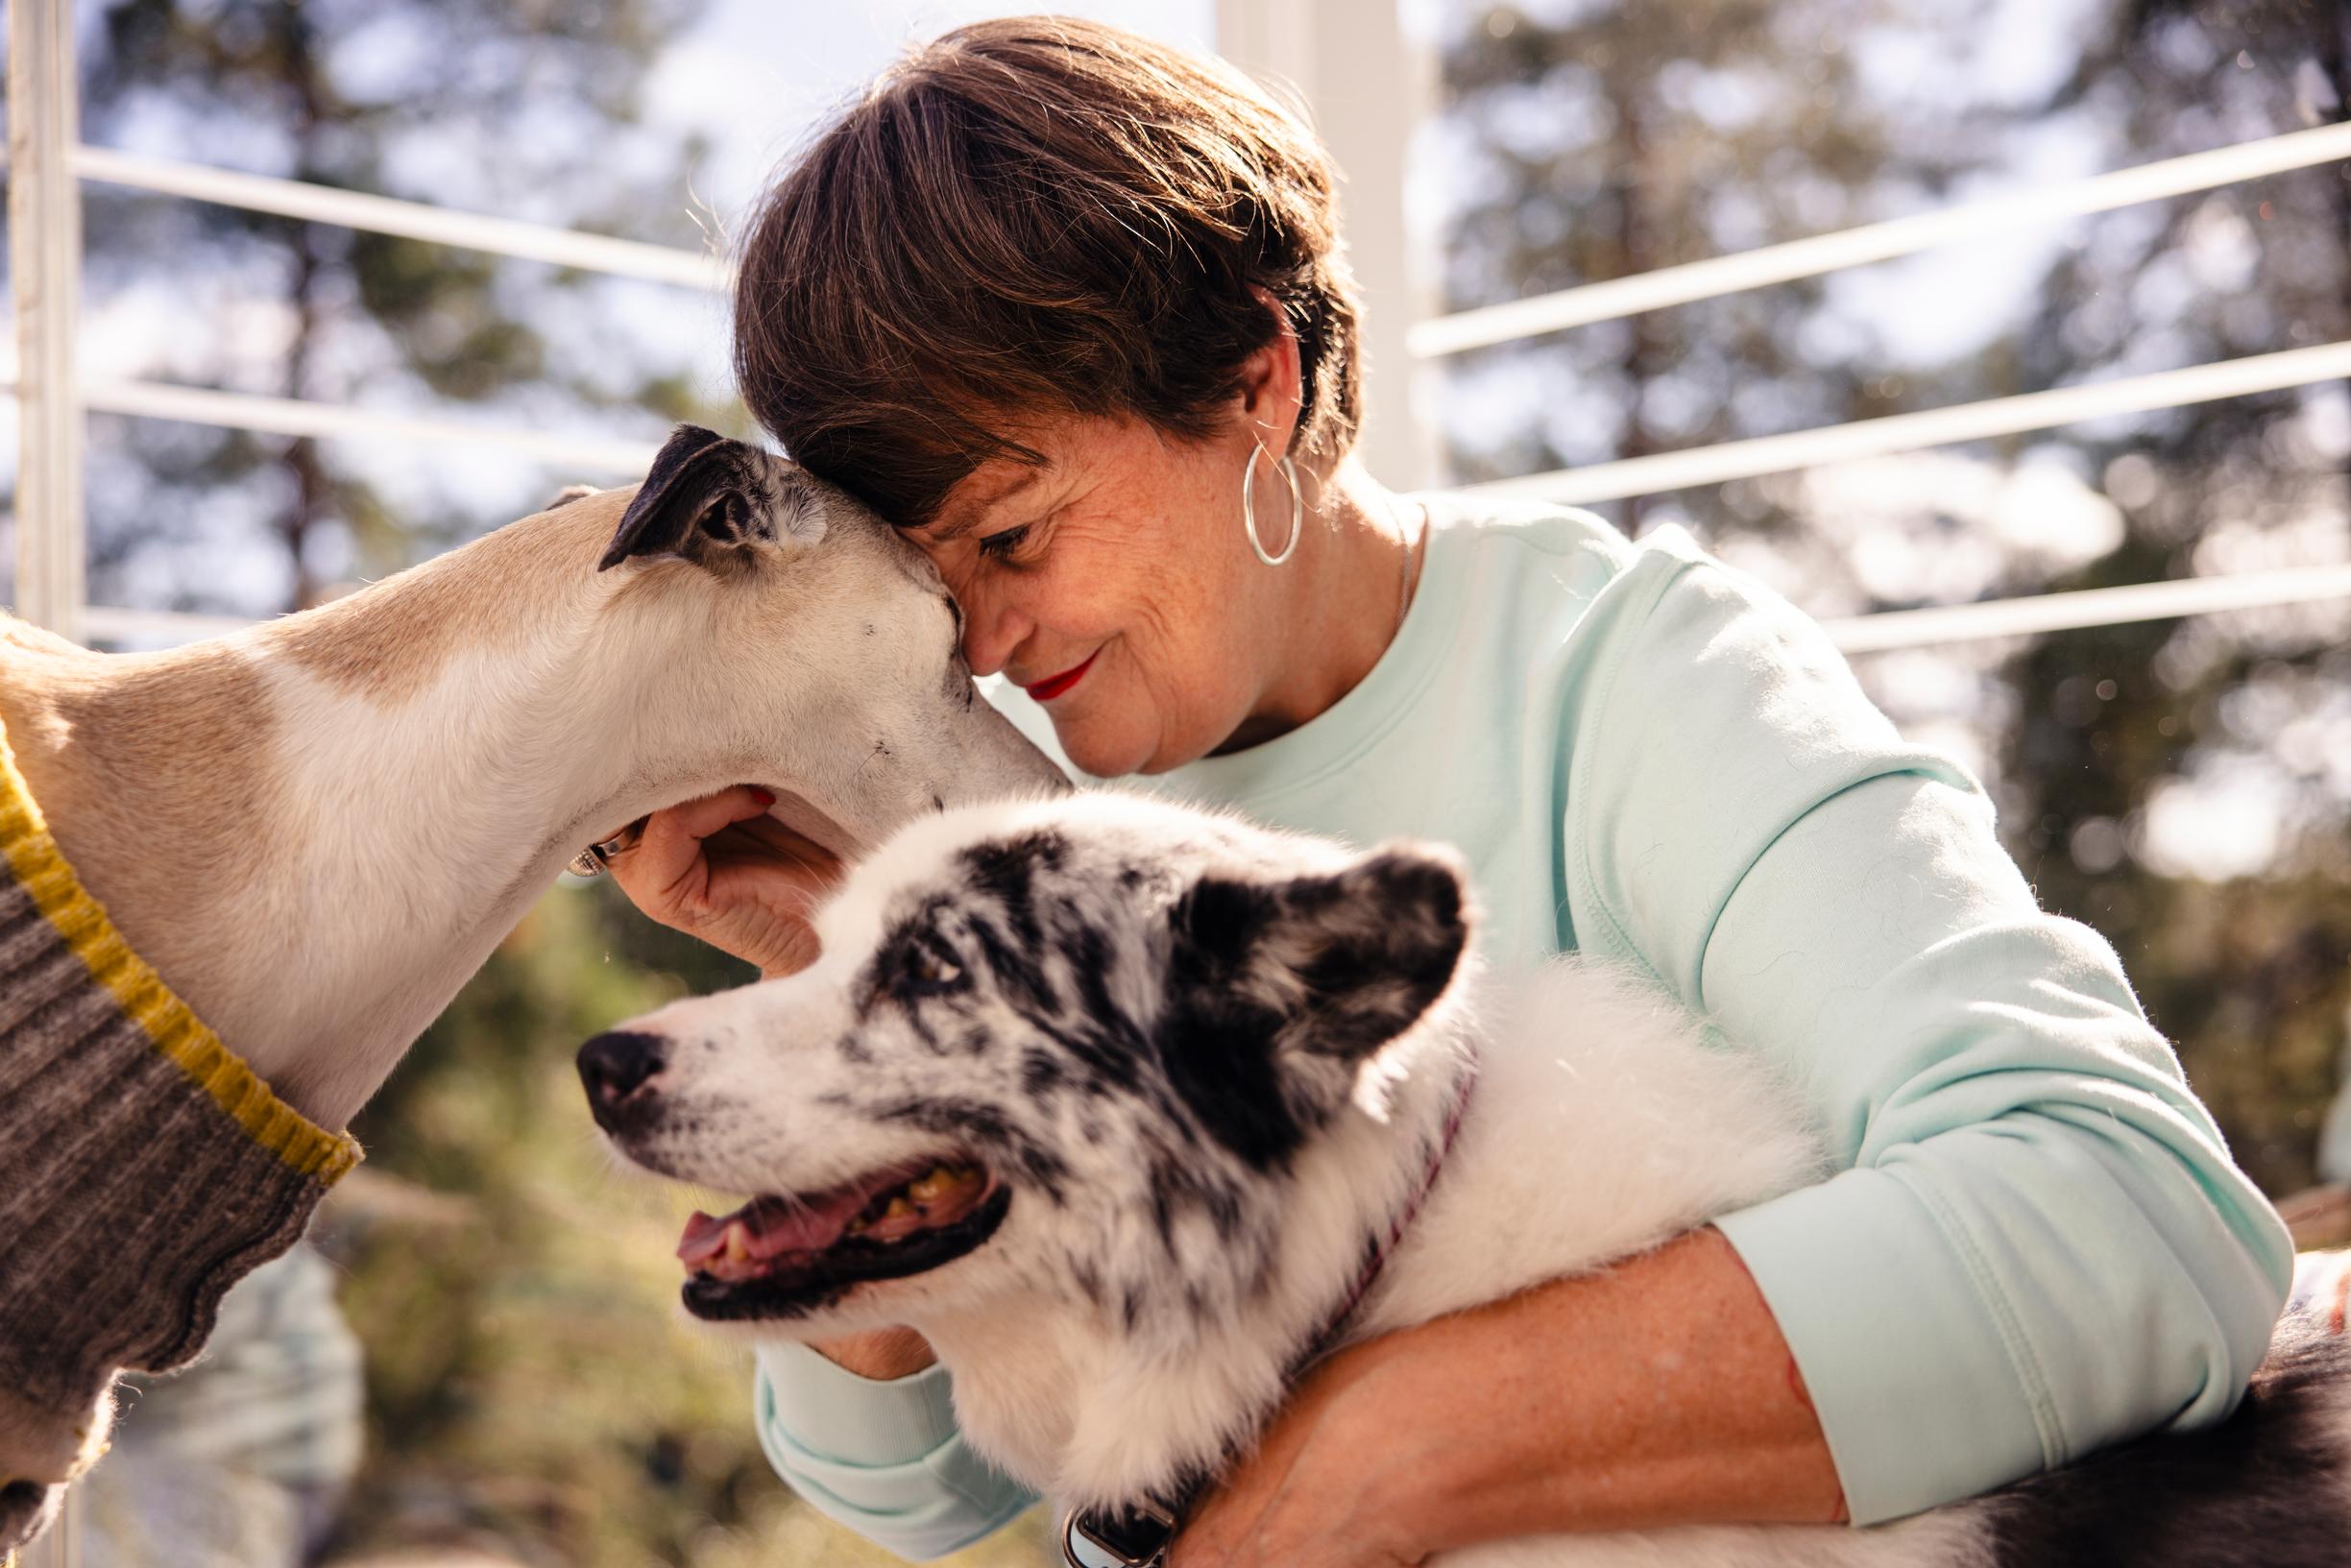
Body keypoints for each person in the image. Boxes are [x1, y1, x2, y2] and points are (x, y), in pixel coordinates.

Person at [604, 17, 2291, 1565]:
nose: (978, 638)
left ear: (1254, 384)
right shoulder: (1048, 804)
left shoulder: (1633, 678)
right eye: (935, 582)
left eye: (1015, 535)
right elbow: (917, 1488)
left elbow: (2127, 1216)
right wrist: (825, 962)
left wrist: (1393, 1440)